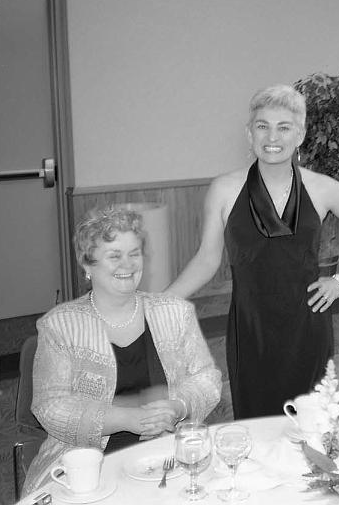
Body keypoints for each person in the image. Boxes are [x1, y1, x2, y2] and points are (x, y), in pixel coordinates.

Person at [166, 84, 339, 419]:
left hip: (307, 325)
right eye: (262, 126)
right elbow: (207, 259)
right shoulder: (224, 189)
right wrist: (159, 303)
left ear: (300, 134)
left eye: (284, 127)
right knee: (255, 423)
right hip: (250, 327)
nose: (273, 136)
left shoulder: (320, 187)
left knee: (309, 425)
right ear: (248, 133)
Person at [23, 205, 221, 494]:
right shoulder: (60, 326)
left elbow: (207, 379)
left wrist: (179, 406)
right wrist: (127, 419)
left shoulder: (175, 313)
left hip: (166, 454)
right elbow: (50, 406)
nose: (127, 265)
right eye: (114, 256)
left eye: (134, 254)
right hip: (89, 460)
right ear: (87, 266)